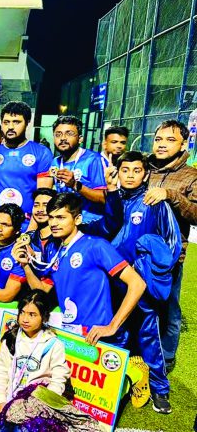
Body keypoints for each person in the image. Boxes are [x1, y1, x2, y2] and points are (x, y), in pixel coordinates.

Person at [12, 193, 146, 348]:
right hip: (71, 337)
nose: (53, 223)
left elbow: (137, 284)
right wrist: (25, 266)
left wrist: (113, 326)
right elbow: (42, 291)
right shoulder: (55, 251)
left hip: (99, 338)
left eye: (61, 217)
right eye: (51, 217)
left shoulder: (96, 246)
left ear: (77, 219)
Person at [110, 151, 181, 414]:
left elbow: (172, 244)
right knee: (115, 333)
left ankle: (160, 388)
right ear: (117, 172)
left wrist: (148, 271)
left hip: (141, 284)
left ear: (146, 173)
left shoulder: (154, 202)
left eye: (136, 170)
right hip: (111, 282)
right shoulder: (109, 200)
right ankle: (111, 385)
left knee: (148, 336)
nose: (130, 175)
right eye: (125, 170)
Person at [144, 120, 197, 373]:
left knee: (168, 309)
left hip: (169, 256)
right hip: (137, 251)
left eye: (170, 140)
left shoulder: (191, 175)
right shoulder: (144, 168)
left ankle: (166, 358)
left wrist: (171, 195)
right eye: (158, 139)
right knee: (137, 303)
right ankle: (137, 351)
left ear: (183, 144)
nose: (162, 144)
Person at [0, 291, 73, 432]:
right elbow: (0, 372)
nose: (25, 319)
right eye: (22, 313)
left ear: (44, 317)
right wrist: (0, 401)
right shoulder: (11, 339)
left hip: (36, 409)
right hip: (9, 401)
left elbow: (59, 379)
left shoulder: (54, 344)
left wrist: (42, 405)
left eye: (32, 315)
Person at [0, 101, 53, 216]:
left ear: (27, 122)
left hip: (27, 221)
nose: (10, 127)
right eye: (6, 122)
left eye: (16, 122)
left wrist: (33, 224)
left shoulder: (42, 153)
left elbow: (43, 197)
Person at [49, 115, 107, 224]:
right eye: (58, 134)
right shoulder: (55, 162)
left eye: (69, 134)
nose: (63, 138)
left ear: (80, 139)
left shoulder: (93, 160)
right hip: (66, 225)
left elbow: (104, 198)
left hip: (90, 224)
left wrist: (75, 184)